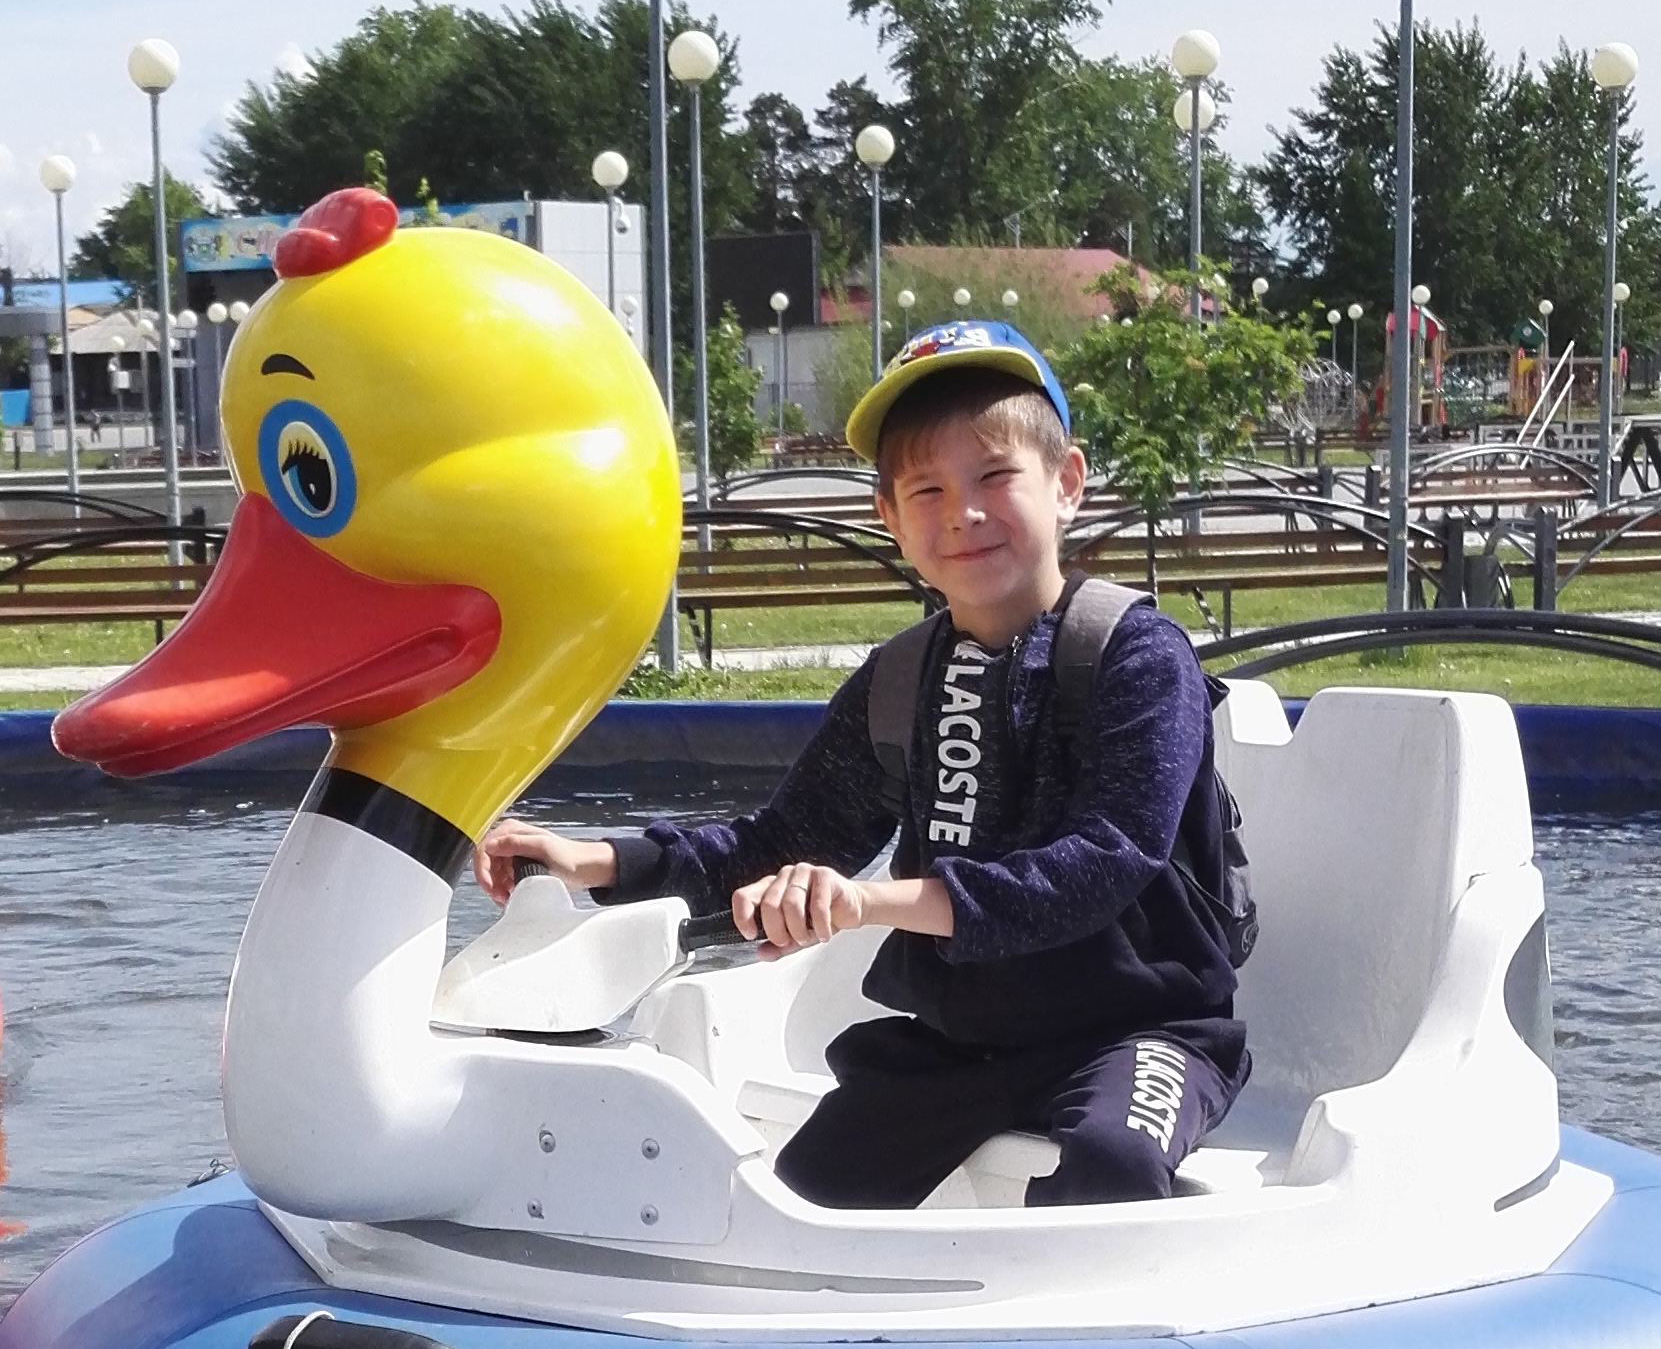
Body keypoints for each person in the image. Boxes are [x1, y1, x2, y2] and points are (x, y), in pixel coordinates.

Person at [475, 321, 1249, 1209]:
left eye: (995, 476)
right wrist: (597, 861)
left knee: (1111, 1163)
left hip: (1142, 1034)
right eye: (927, 489)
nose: (962, 512)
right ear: (890, 518)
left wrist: (867, 903)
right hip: (961, 1051)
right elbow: (784, 842)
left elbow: (1106, 861)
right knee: (796, 1204)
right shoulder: (900, 680)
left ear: (1066, 483)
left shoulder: (1138, 656)